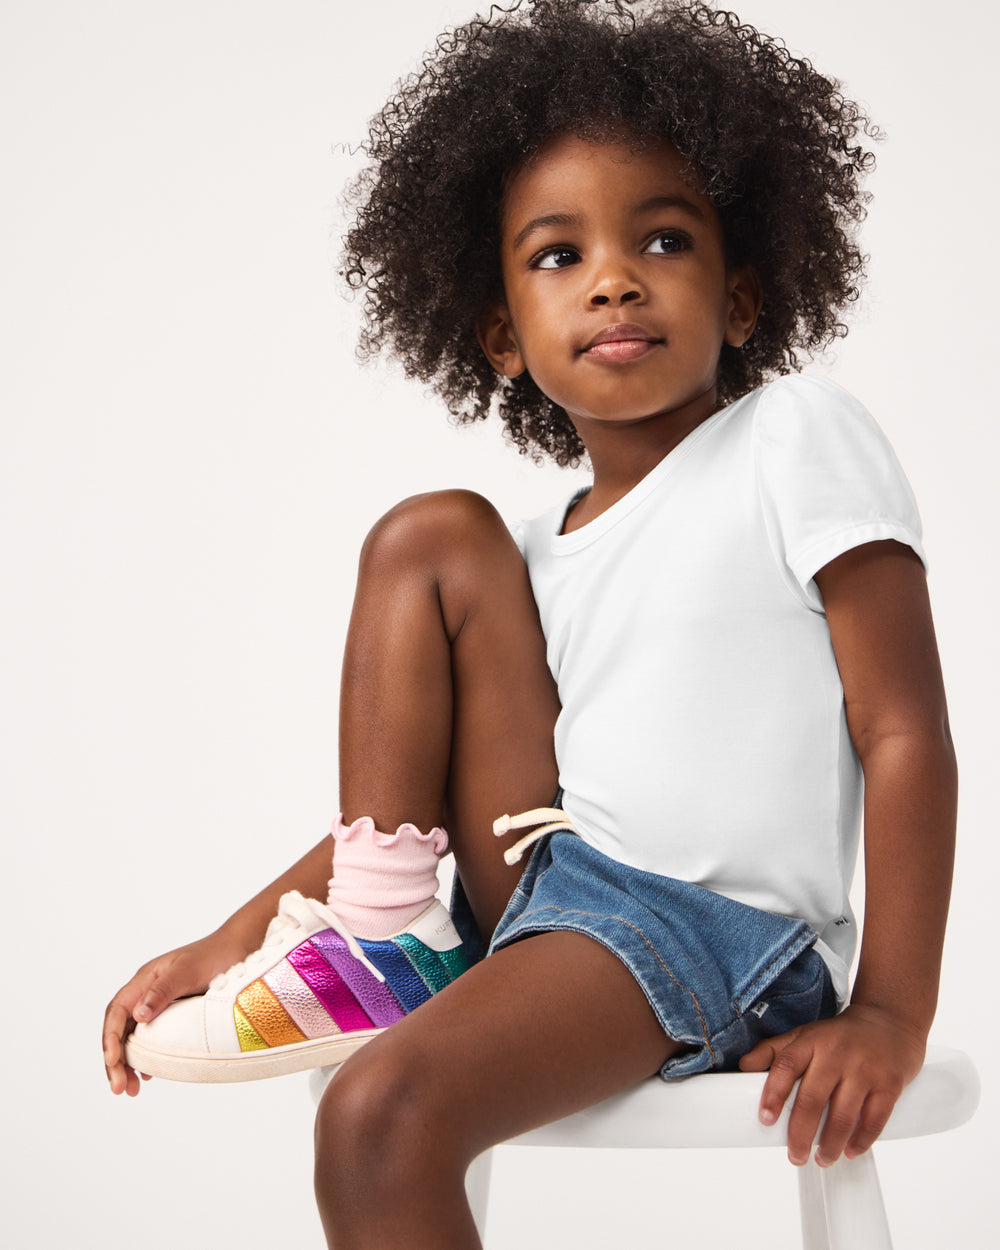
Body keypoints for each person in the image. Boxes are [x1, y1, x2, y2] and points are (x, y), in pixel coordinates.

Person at [102, 2, 957, 1246]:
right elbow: (438, 805)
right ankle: (384, 943)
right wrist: (225, 942)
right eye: (559, 255)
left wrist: (890, 1009)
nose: (614, 274)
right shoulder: (527, 549)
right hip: (552, 888)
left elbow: (903, 732)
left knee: (376, 1117)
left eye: (664, 238)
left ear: (744, 293)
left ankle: (398, 975)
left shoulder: (793, 439)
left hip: (720, 930)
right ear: (501, 334)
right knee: (429, 534)